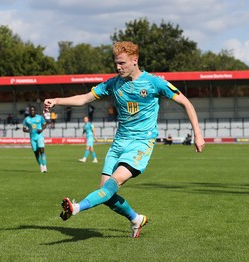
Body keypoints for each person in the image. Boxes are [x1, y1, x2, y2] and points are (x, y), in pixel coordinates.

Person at [44, 41, 205, 238]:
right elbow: (84, 98)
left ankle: (76, 208)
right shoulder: (113, 83)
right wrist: (56, 101)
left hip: (141, 143)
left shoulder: (154, 82)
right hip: (119, 143)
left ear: (134, 60)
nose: (118, 67)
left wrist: (197, 133)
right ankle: (136, 219)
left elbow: (185, 102)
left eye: (122, 63)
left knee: (114, 182)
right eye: (116, 64)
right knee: (106, 193)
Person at [23, 105, 48, 173]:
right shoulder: (27, 119)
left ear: (36, 111)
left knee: (42, 150)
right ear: (29, 111)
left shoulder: (40, 118)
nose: (32, 111)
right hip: (32, 138)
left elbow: (45, 124)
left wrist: (41, 129)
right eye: (31, 110)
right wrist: (28, 130)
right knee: (36, 153)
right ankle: (41, 166)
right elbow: (24, 129)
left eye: (33, 110)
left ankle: (45, 166)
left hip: (39, 136)